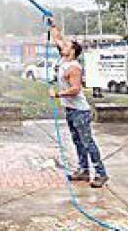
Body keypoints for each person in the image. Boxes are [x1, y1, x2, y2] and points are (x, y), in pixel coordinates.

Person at [48, 17, 108, 188]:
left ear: (73, 51)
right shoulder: (64, 60)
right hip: (70, 109)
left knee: (88, 142)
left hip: (80, 111)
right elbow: (58, 38)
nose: (63, 46)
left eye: (67, 46)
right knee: (77, 141)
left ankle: (101, 174)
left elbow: (75, 89)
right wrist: (53, 25)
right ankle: (84, 170)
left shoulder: (74, 67)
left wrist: (58, 94)